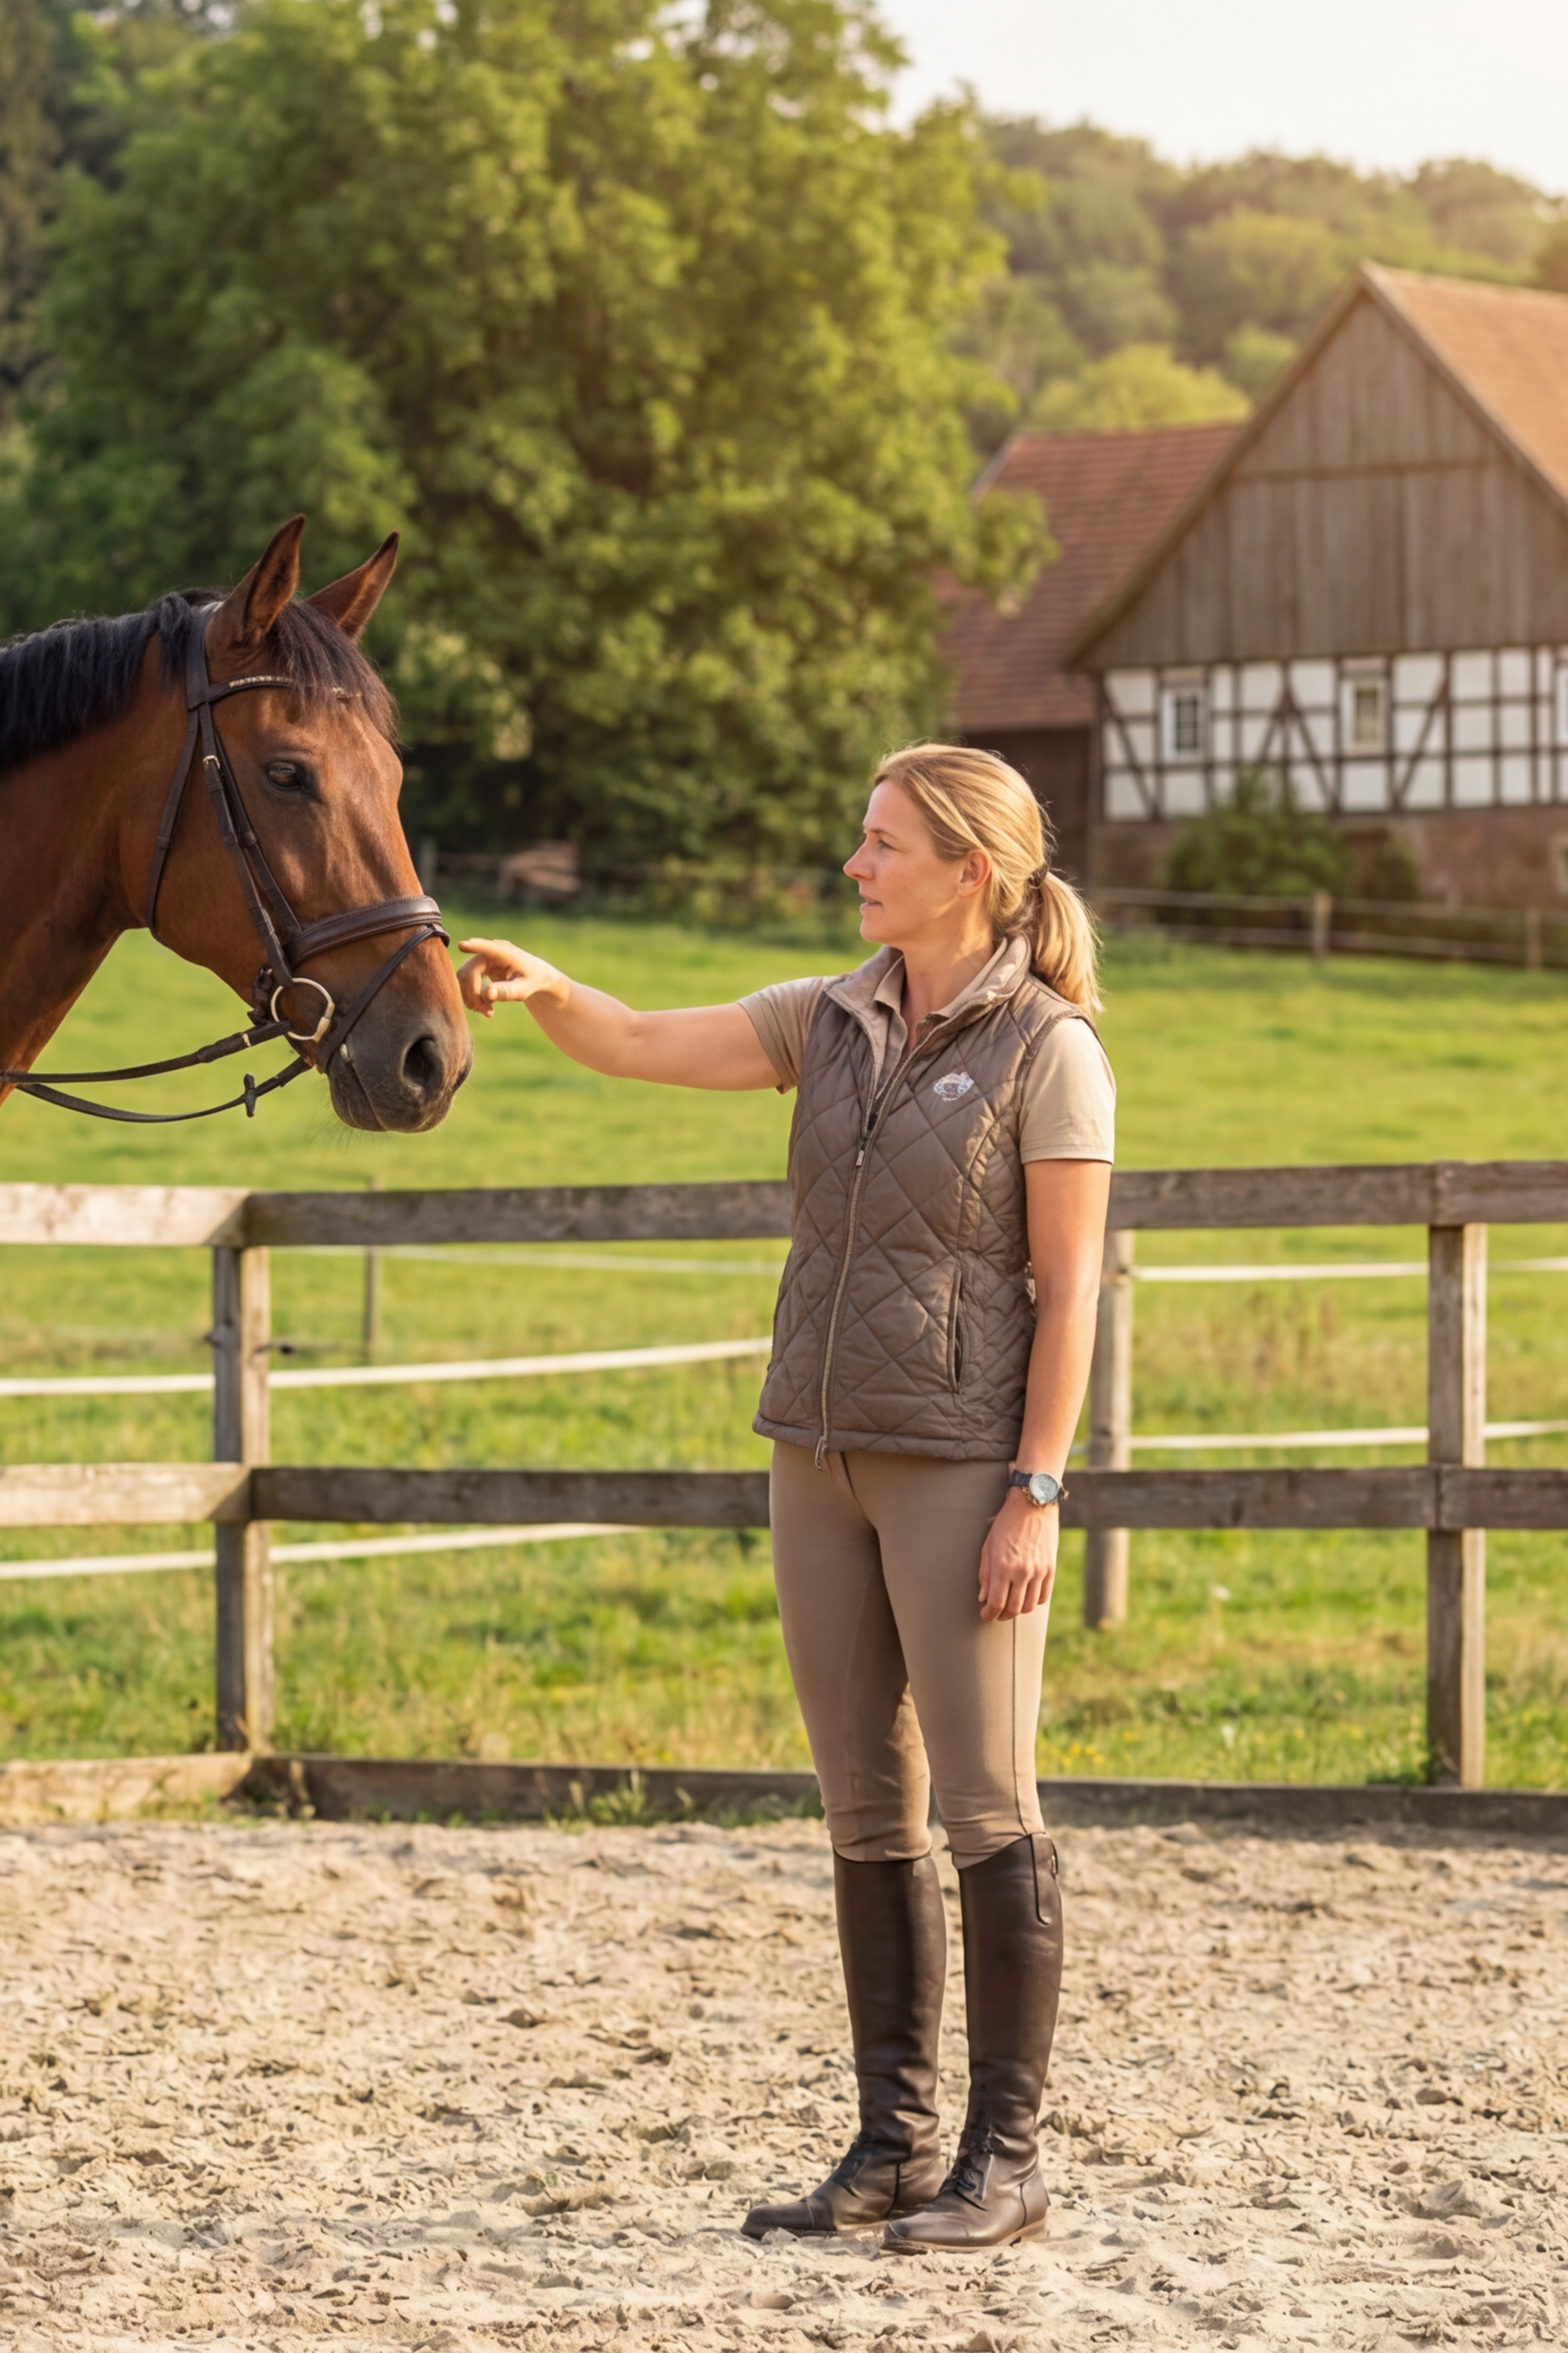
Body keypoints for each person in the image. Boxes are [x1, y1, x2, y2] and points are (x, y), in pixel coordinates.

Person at [455, 744, 1111, 2254]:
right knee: (865, 1812)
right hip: (812, 1455)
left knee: (989, 1807)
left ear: (970, 874)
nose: (853, 866)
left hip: (960, 1465)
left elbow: (1073, 1293)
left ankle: (1005, 2166)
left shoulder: (1050, 1051)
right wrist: (551, 989)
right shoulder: (826, 1021)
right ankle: (892, 2148)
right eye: (858, 838)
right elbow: (635, 1043)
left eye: (880, 845)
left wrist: (1036, 1491)